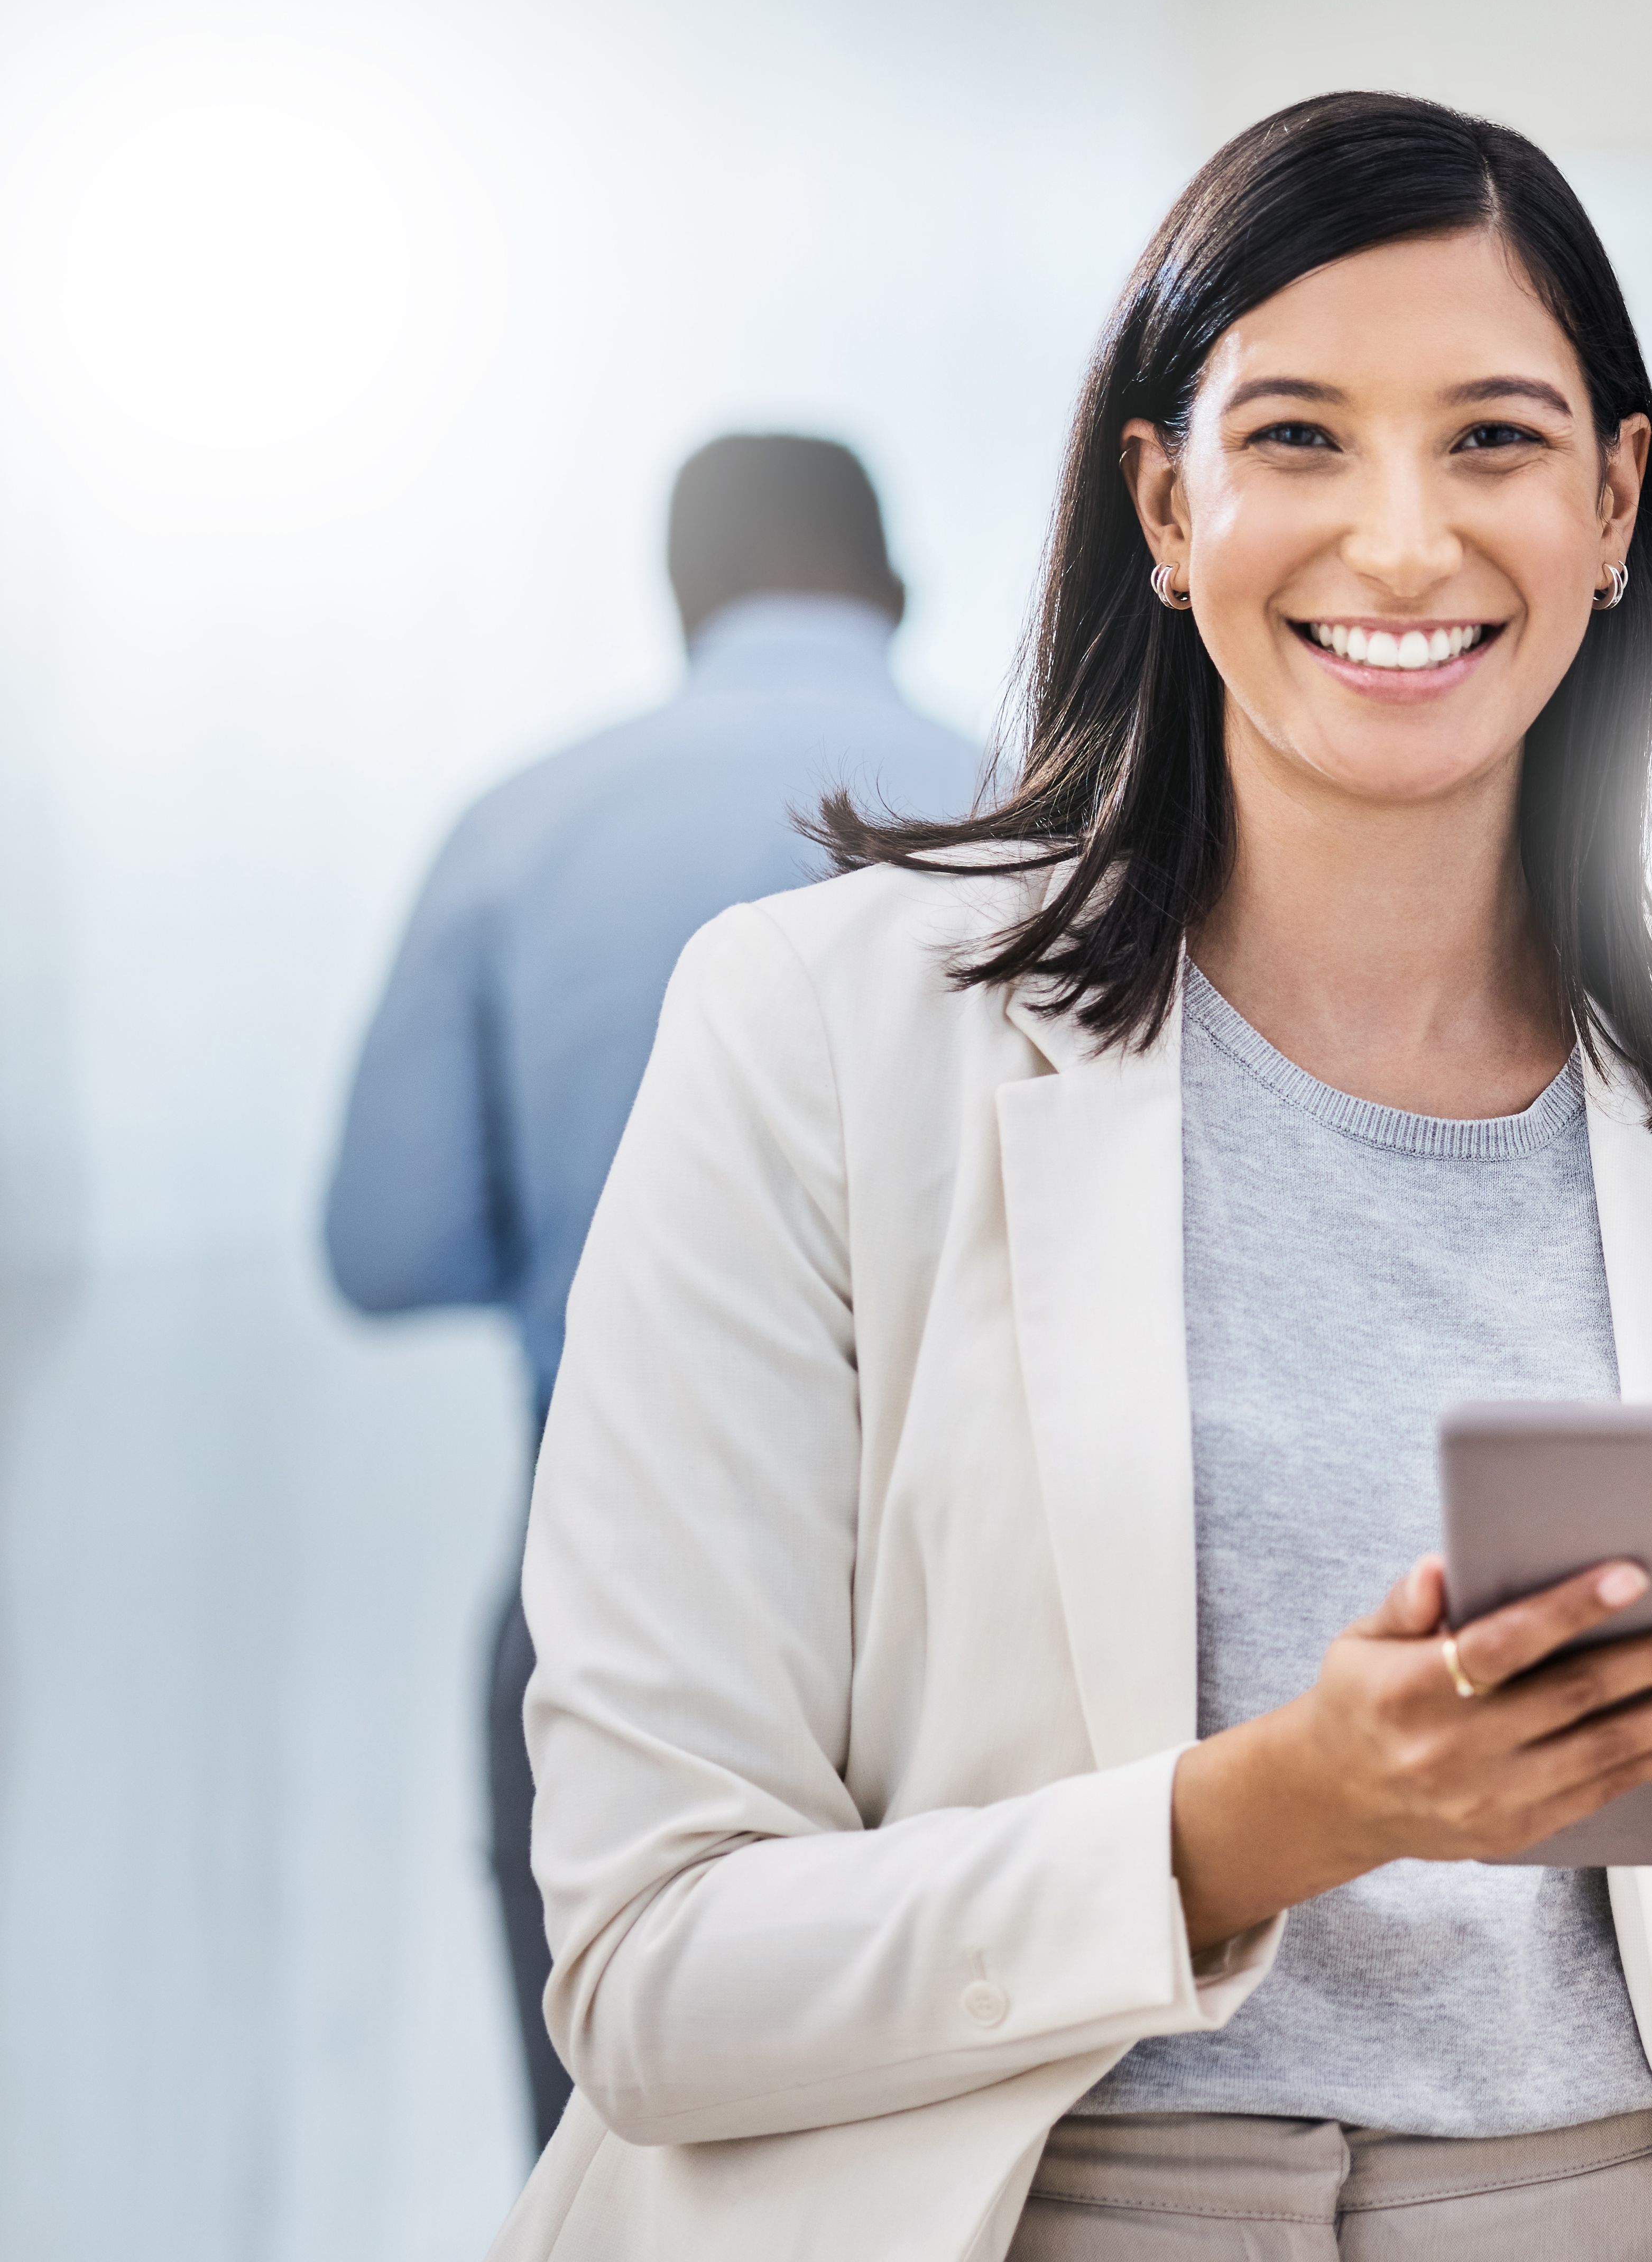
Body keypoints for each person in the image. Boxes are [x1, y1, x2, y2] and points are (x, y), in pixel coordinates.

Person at [489, 94, 1652, 2262]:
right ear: (1165, 498)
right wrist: (1278, 1816)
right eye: (1302, 438)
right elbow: (649, 1972)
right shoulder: (817, 1033)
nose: (1405, 544)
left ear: (1616, 502)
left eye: (1498, 443)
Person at [322, 431, 984, 2147]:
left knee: (620, 2162)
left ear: (681, 599)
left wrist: (588, 1241)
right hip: (981, 1604)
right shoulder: (1047, 810)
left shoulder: (519, 828)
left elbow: (383, 1248)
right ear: (893, 592)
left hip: (607, 1579)